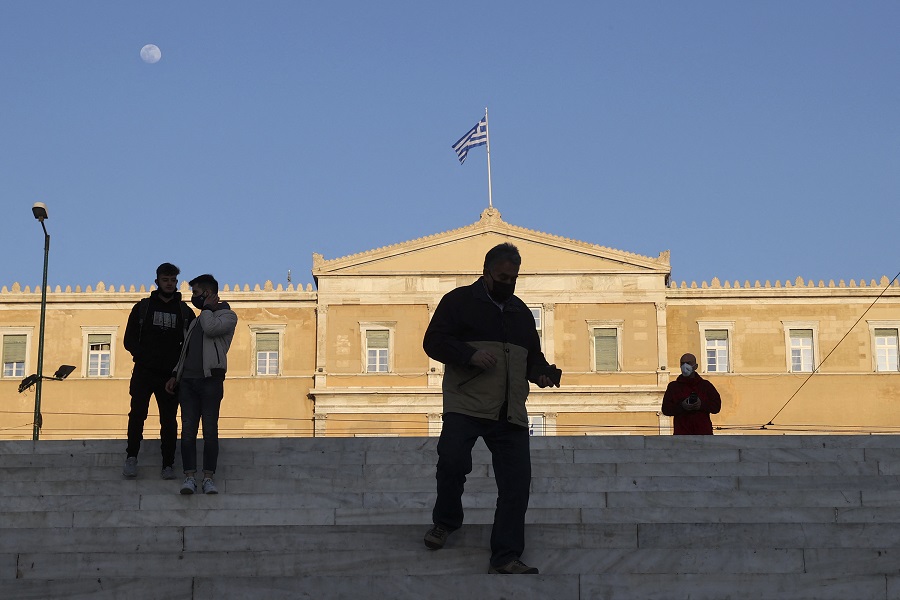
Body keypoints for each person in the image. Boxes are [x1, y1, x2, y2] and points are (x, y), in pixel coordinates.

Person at [422, 242, 560, 575]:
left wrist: (542, 373)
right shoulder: (458, 302)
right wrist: (469, 354)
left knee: (516, 484)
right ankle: (446, 522)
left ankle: (506, 555)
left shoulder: (521, 312)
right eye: (502, 277)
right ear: (486, 272)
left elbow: (531, 358)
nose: (508, 283)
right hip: (466, 404)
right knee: (452, 462)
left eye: (513, 278)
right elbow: (433, 342)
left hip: (510, 410)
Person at [165, 274, 237, 495]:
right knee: (187, 431)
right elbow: (186, 351)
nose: (192, 298)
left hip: (210, 380)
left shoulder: (227, 316)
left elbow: (211, 329)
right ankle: (189, 477)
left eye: (195, 293)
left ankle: (208, 477)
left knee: (210, 429)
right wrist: (176, 374)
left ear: (207, 293)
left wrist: (206, 308)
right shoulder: (196, 320)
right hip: (188, 382)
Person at [122, 263, 195, 480]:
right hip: (143, 372)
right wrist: (144, 358)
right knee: (137, 415)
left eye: (173, 280)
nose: (170, 284)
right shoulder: (142, 308)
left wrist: (176, 373)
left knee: (169, 420)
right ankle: (131, 457)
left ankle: (168, 464)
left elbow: (189, 347)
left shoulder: (185, 312)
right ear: (157, 281)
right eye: (166, 280)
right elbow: (129, 340)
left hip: (170, 377)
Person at [661, 353, 722, 435]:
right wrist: (682, 406)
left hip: (703, 433)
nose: (685, 366)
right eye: (682, 363)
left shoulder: (705, 386)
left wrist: (701, 405)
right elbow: (666, 409)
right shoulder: (674, 387)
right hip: (682, 434)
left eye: (688, 363)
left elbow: (716, 407)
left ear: (695, 366)